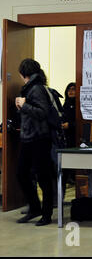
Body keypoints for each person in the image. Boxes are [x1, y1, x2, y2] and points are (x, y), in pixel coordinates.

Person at [15, 59, 54, 226]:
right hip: (29, 137)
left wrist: (24, 106)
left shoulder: (36, 88)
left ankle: (46, 214)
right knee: (22, 173)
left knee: (43, 177)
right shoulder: (31, 87)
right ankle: (35, 207)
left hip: (39, 138)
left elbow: (42, 112)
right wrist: (22, 107)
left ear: (25, 74)